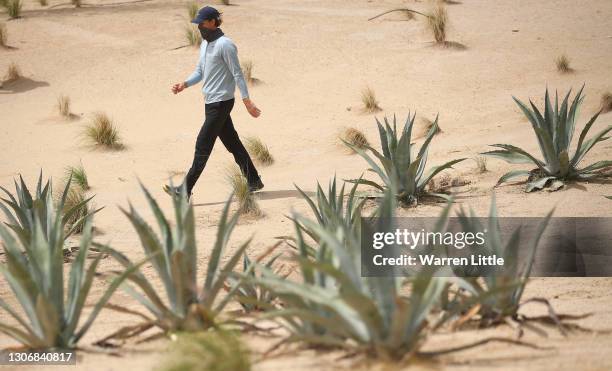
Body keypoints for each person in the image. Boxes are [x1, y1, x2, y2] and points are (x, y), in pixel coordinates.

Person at [165, 6, 264, 199]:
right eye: (198, 24)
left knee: (203, 144)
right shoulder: (205, 44)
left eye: (202, 23)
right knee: (233, 144)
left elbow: (237, 73)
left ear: (212, 21)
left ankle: (185, 189)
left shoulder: (225, 44)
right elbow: (200, 72)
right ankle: (254, 180)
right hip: (211, 103)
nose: (199, 27)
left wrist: (247, 101)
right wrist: (184, 84)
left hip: (221, 103)